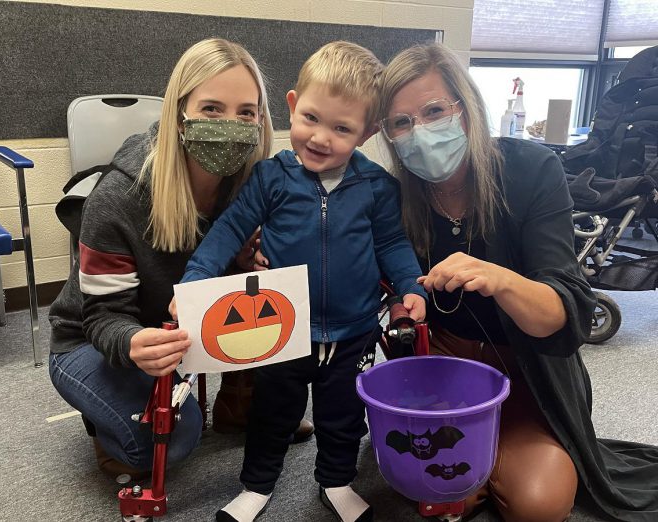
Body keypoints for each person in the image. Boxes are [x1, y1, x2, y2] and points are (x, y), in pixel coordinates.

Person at [379, 42, 658, 522]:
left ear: (466, 110)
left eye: (433, 111)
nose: (418, 132)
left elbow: (566, 315)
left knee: (539, 505)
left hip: (528, 371)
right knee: (434, 490)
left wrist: (498, 278)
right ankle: (476, 468)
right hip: (442, 374)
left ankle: (498, 458)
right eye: (401, 123)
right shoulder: (392, 194)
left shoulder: (530, 171)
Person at [171, 41, 427, 522]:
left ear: (368, 132)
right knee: (272, 413)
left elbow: (392, 245)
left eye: (342, 128)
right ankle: (256, 486)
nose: (320, 138)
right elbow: (228, 229)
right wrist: (196, 280)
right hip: (283, 329)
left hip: (354, 331)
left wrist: (411, 287)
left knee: (344, 416)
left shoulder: (377, 187)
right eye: (310, 118)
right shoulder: (271, 177)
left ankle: (336, 481)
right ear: (291, 105)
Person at [47, 38, 317, 480]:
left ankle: (236, 404)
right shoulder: (119, 197)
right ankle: (104, 421)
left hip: (180, 334)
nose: (230, 124)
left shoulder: (250, 181)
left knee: (284, 369)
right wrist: (133, 344)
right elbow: (101, 318)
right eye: (212, 108)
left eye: (245, 112)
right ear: (179, 115)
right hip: (93, 340)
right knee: (174, 439)